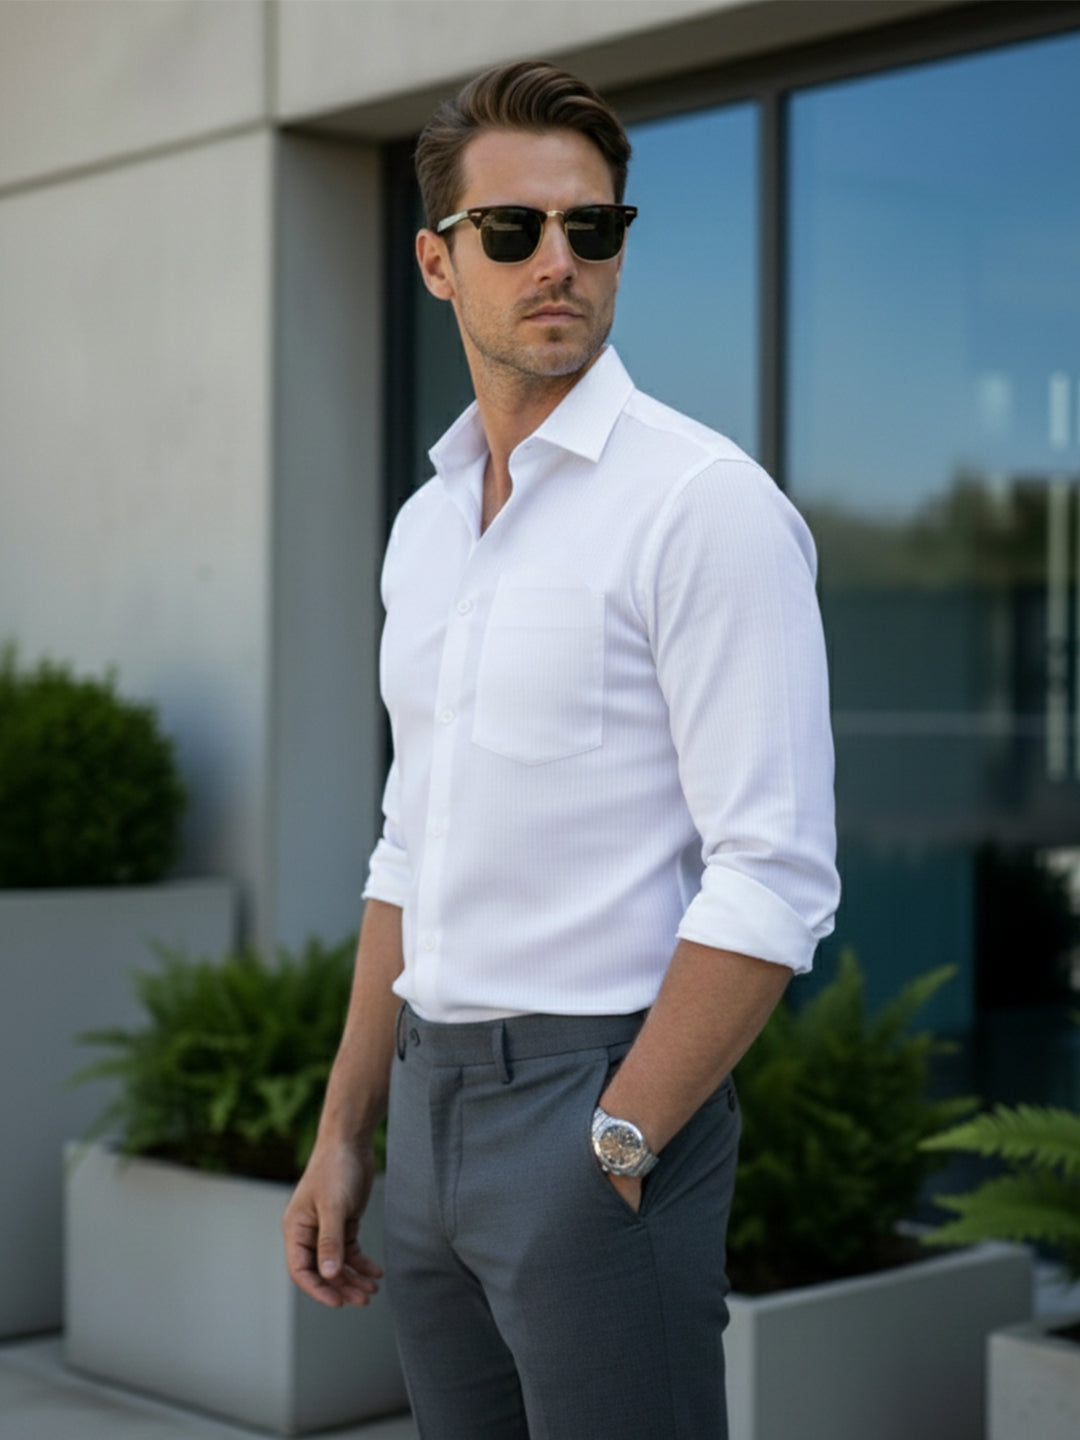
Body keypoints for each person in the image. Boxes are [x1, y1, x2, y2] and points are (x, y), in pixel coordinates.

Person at [283, 58, 839, 1440]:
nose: (559, 261)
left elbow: (774, 872)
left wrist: (622, 1136)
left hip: (597, 1109)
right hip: (429, 1109)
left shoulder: (703, 506)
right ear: (437, 261)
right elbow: (409, 844)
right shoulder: (427, 528)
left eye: (592, 227)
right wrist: (346, 1132)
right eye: (512, 229)